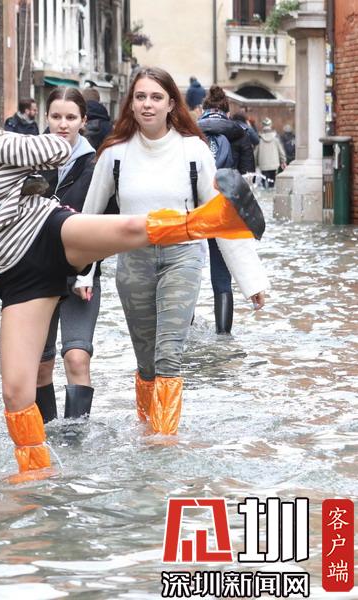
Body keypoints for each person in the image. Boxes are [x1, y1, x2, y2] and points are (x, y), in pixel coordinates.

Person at [0, 75, 267, 479]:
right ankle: (36, 473)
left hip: (47, 232)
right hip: (16, 278)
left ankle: (216, 219)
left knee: (128, 228)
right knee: (15, 390)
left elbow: (57, 149)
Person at [77, 67, 268, 437]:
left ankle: (163, 442)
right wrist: (84, 273)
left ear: (170, 105)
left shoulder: (193, 151)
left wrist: (251, 280)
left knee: (168, 355)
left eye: (156, 97)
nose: (147, 104)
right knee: (146, 361)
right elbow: (89, 219)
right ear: (131, 104)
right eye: (140, 97)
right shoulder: (115, 154)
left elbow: (221, 217)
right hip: (134, 261)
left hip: (183, 258)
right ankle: (147, 431)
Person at [35, 87, 101, 422]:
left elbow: (102, 224)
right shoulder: (29, 159)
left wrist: (87, 272)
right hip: (36, 274)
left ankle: (76, 437)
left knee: (77, 357)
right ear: (46, 118)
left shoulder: (95, 165)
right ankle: (46, 435)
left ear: (83, 121)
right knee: (40, 364)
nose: (63, 124)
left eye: (71, 117)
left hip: (81, 273)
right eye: (56, 117)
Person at [197, 86, 251, 334]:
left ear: (204, 109)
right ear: (227, 112)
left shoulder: (191, 133)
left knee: (186, 270)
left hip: (195, 209)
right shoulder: (240, 134)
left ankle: (184, 329)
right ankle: (223, 335)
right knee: (222, 276)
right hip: (224, 209)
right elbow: (247, 178)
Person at [255, 117, 287, 188]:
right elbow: (281, 151)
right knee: (272, 183)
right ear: (270, 125)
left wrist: (255, 163)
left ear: (263, 125)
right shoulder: (275, 139)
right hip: (274, 164)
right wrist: (283, 161)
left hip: (263, 164)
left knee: (264, 183)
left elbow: (255, 153)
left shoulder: (259, 139)